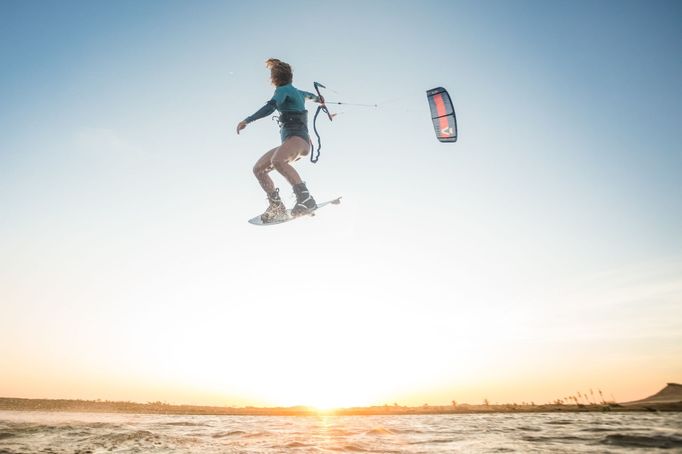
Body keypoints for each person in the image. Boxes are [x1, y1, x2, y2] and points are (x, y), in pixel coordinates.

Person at [237, 58, 324, 222]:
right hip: (293, 143)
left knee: (278, 161)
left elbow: (270, 107)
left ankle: (306, 200)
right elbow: (312, 96)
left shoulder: (282, 90)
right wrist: (320, 99)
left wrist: (247, 120)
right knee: (258, 169)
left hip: (299, 140)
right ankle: (277, 206)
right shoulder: (298, 92)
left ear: (274, 79)